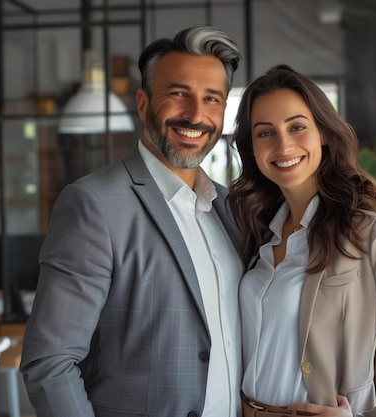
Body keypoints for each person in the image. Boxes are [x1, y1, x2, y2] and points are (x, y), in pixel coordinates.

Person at [20, 26, 245, 417]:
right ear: (143, 104)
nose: (195, 114)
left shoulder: (231, 209)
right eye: (178, 94)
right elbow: (50, 364)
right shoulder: (95, 205)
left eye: (212, 99)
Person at [227, 65, 376, 417]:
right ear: (251, 147)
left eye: (297, 127)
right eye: (265, 133)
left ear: (323, 134)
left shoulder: (367, 234)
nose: (283, 145)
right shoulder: (255, 231)